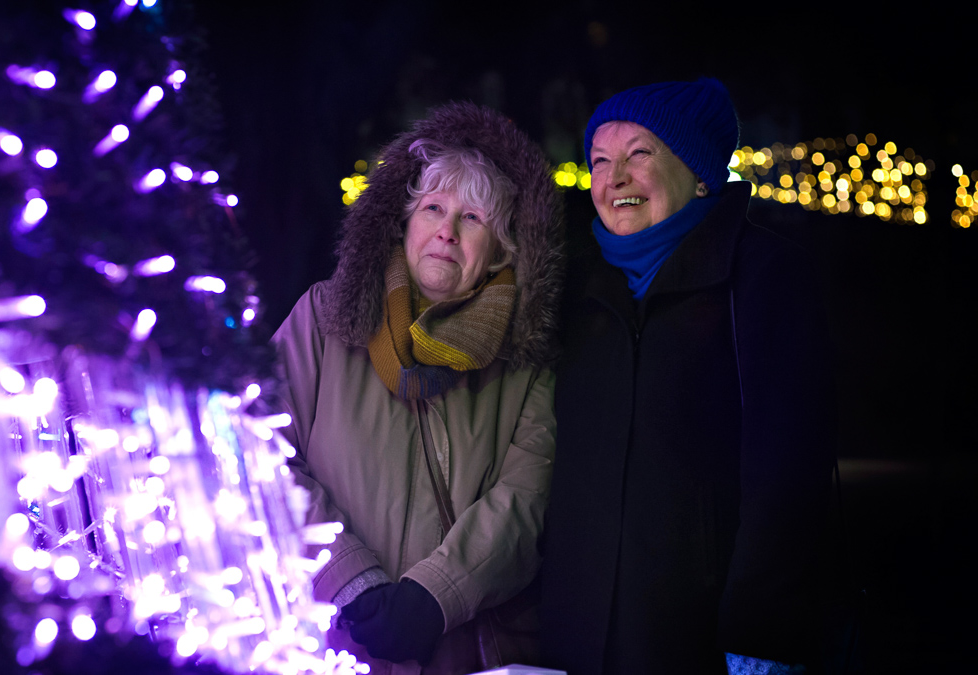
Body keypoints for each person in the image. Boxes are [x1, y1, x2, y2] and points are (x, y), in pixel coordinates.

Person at [540, 78, 836, 675]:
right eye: (600, 160)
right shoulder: (574, 283)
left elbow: (788, 471)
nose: (613, 177)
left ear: (699, 171)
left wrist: (760, 632)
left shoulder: (762, 276)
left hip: (699, 633)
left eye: (639, 154)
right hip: (575, 627)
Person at [272, 102, 564, 674]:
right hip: (327, 641)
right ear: (404, 221)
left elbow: (526, 497)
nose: (447, 232)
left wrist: (434, 596)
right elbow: (264, 453)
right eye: (433, 207)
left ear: (503, 248)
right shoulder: (324, 318)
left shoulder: (527, 358)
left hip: (462, 648)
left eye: (473, 218)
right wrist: (349, 577)